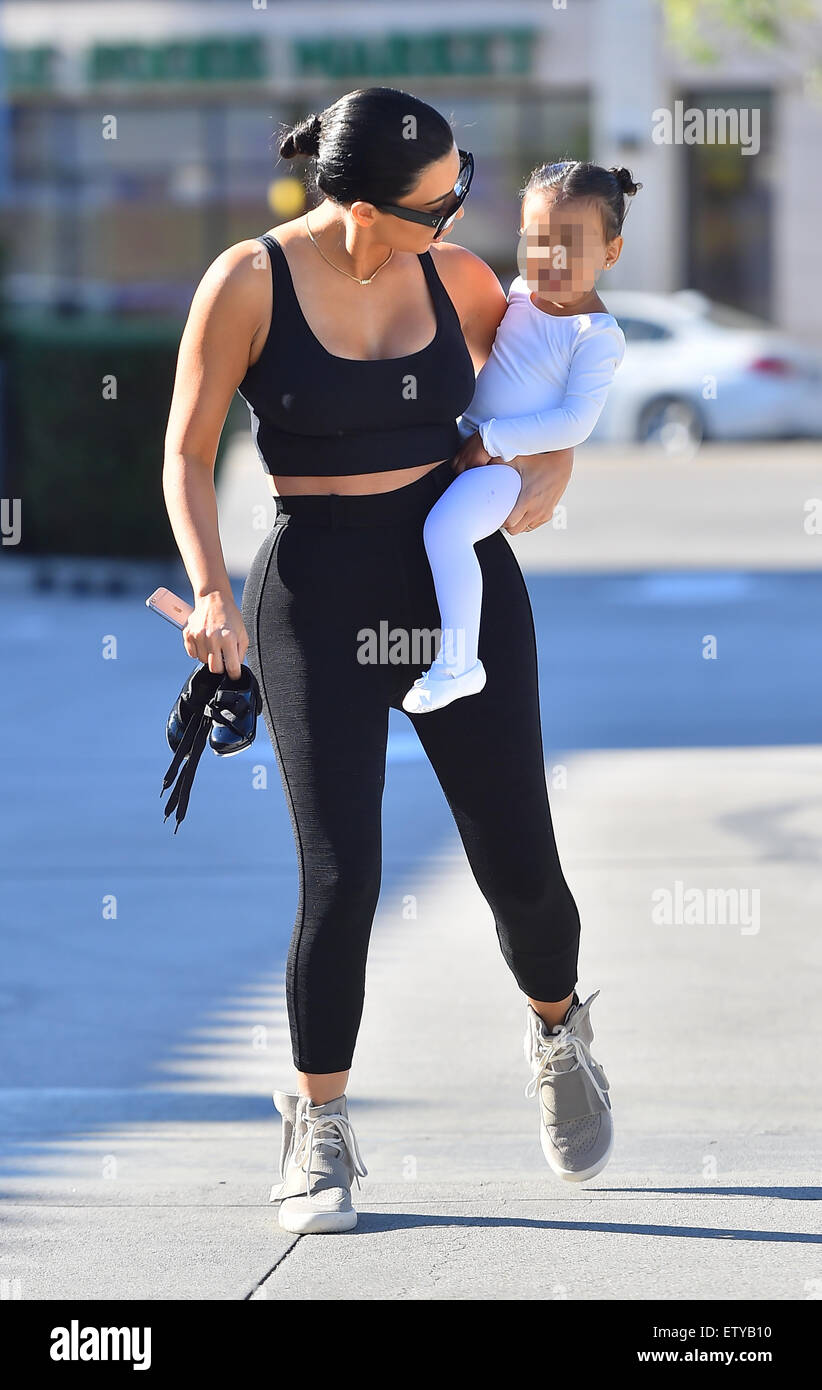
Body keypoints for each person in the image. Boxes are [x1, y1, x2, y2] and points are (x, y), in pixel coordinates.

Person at [162, 87, 612, 1236]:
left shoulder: (457, 281)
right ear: (365, 206)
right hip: (315, 590)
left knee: (520, 866)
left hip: (449, 576)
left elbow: (546, 402)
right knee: (340, 874)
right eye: (442, 198)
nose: (462, 214)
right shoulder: (249, 281)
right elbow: (187, 447)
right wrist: (211, 591)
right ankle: (320, 1131)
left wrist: (543, 481)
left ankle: (559, 1029)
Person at [402, 161, 639, 714]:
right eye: (537, 240)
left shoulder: (595, 334)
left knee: (446, 531)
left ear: (611, 252)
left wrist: (494, 441)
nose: (550, 259)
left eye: (571, 245)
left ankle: (459, 662)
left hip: (504, 471)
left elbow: (576, 421)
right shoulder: (518, 290)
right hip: (470, 441)